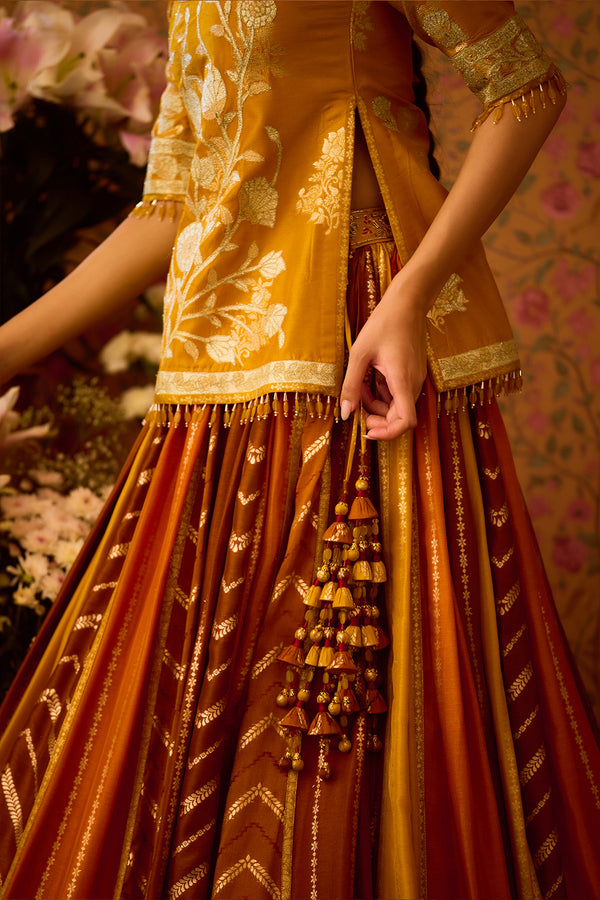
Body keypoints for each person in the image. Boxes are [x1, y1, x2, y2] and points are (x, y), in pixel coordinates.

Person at [0, 2, 599, 898]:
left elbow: (525, 87)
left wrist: (407, 297)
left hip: (355, 344)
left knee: (354, 702)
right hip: (217, 379)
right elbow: (175, 201)